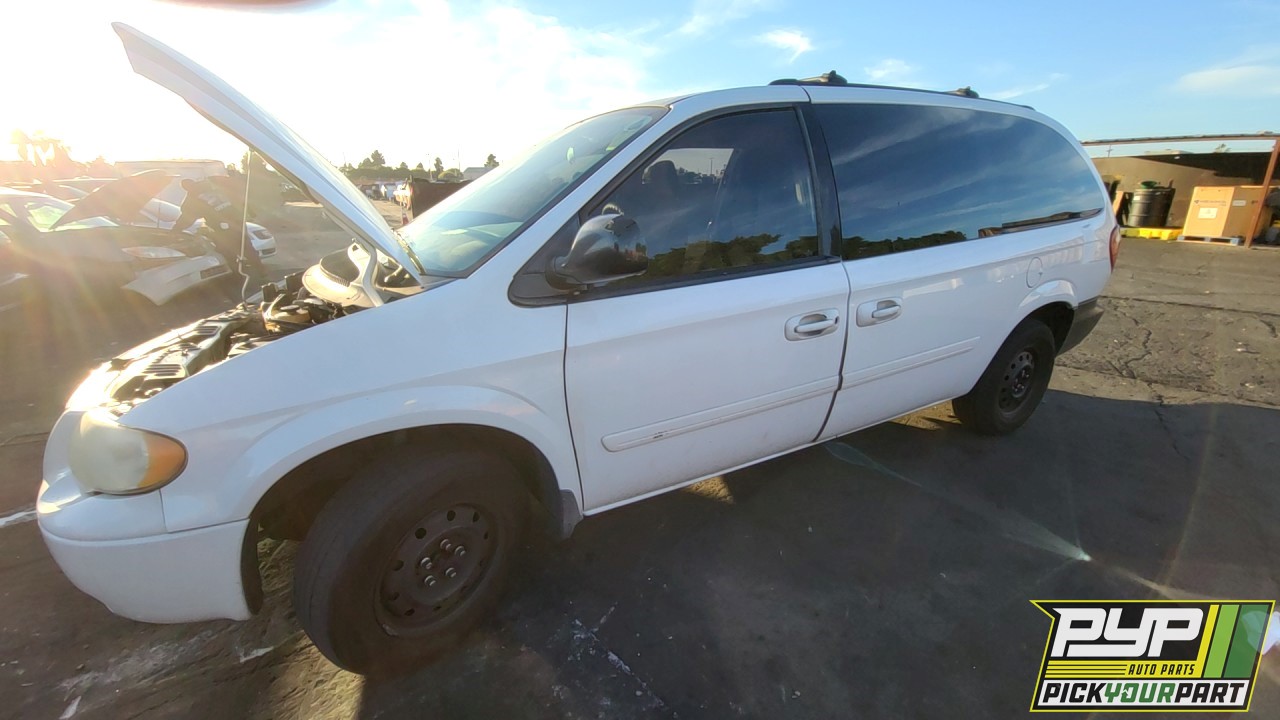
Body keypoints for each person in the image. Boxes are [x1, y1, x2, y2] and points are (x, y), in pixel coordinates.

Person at [174, 177, 265, 286]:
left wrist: (176, 229)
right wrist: (250, 211)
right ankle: (261, 271)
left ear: (186, 188)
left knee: (227, 251)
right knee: (246, 246)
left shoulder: (192, 199)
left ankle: (238, 278)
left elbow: (187, 218)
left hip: (222, 228)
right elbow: (237, 197)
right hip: (238, 221)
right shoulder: (213, 186)